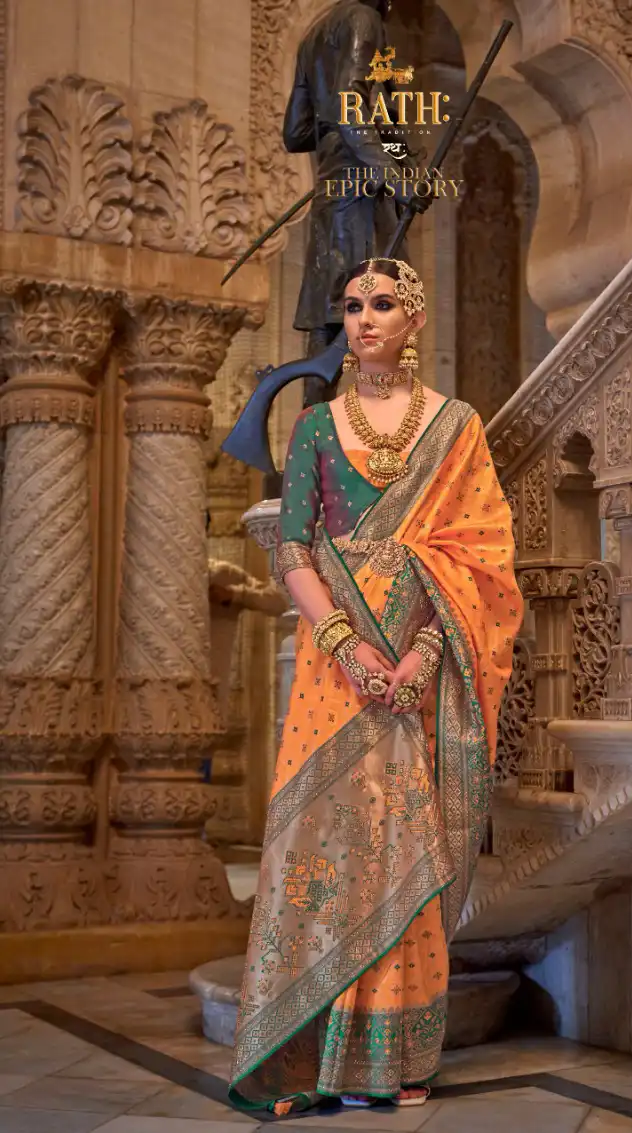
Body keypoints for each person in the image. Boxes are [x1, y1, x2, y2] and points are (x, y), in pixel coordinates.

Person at [229, 258, 523, 1117]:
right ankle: (307, 1049)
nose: (364, 318)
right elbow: (293, 548)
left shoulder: (456, 427)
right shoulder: (316, 426)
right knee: (322, 841)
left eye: (383, 303)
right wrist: (345, 643)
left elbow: (481, 554)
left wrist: (426, 652)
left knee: (407, 844)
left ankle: (399, 1056)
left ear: (414, 319)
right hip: (337, 668)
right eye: (353, 305)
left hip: (424, 663)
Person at [283, 0, 427, 406]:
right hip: (362, 195)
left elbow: (297, 131)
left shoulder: (314, 34)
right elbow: (350, 103)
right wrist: (395, 178)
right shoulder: (364, 19)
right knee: (384, 308)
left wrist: (405, 162)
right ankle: (384, 427)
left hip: (334, 192)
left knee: (330, 319)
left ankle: (310, 431)